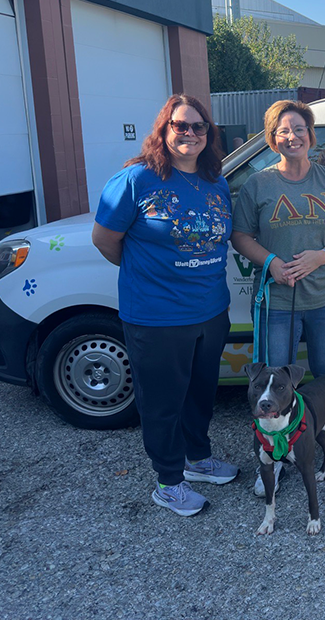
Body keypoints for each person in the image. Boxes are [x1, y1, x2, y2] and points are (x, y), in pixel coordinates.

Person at [92, 94, 236, 517]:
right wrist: (148, 273)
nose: (190, 133)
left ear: (208, 133)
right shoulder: (136, 179)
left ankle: (198, 460)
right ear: (164, 129)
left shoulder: (215, 181)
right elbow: (105, 239)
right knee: (162, 402)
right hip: (157, 316)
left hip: (211, 310)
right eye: (180, 125)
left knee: (200, 394)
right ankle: (169, 482)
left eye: (198, 126)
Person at [231, 99, 325, 495]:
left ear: (310, 134)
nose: (292, 136)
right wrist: (270, 262)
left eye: (299, 129)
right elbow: (240, 236)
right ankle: (272, 454)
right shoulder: (258, 184)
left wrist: (322, 255)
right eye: (283, 131)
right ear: (273, 139)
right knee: (271, 383)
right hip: (276, 300)